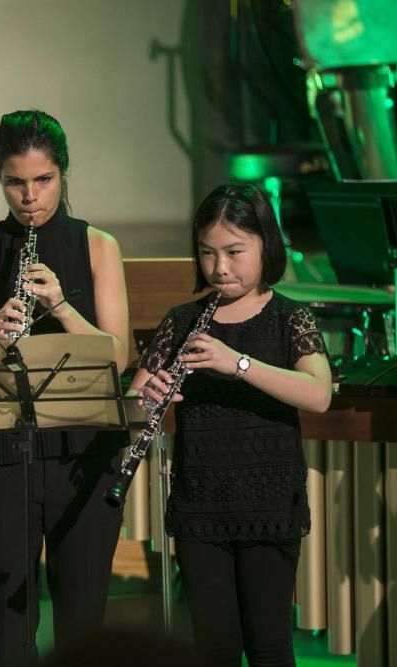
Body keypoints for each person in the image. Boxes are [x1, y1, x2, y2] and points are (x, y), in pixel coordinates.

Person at [0, 109, 130, 665]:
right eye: (15, 182)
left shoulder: (98, 246)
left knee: (82, 615)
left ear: (63, 173)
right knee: (7, 616)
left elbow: (118, 357)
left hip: (84, 450)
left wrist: (59, 306)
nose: (29, 197)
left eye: (43, 180)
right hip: (4, 452)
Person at [130, 184, 332, 666]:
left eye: (235, 252)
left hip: (268, 500)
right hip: (201, 504)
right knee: (213, 649)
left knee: (269, 647)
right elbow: (133, 402)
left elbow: (319, 394)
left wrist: (237, 362)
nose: (220, 268)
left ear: (266, 245)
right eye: (208, 253)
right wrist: (145, 398)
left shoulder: (290, 318)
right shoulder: (182, 321)